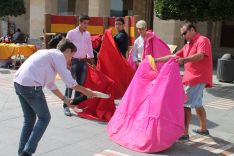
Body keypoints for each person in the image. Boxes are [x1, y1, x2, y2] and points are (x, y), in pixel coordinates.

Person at [14, 40, 94, 156]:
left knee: (29, 119)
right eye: (72, 55)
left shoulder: (47, 55)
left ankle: (21, 152)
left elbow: (50, 84)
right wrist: (87, 91)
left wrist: (65, 100)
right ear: (67, 51)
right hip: (31, 86)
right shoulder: (58, 56)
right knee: (44, 118)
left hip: (19, 84)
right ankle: (27, 153)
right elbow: (70, 82)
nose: (71, 59)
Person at [155, 23, 213, 141]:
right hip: (191, 78)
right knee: (197, 104)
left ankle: (184, 133)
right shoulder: (188, 45)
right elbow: (173, 56)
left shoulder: (203, 40)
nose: (183, 36)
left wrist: (184, 59)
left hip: (197, 78)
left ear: (192, 29)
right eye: (182, 34)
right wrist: (155, 60)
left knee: (185, 104)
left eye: (185, 33)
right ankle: (203, 129)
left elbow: (201, 56)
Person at [63, 15, 95, 116]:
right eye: (85, 23)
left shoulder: (87, 34)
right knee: (70, 84)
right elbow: (66, 47)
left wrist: (92, 60)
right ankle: (66, 106)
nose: (86, 25)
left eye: (87, 23)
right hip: (74, 61)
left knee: (80, 85)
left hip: (83, 61)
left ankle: (75, 106)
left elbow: (89, 47)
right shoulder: (71, 33)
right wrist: (67, 61)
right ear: (79, 22)